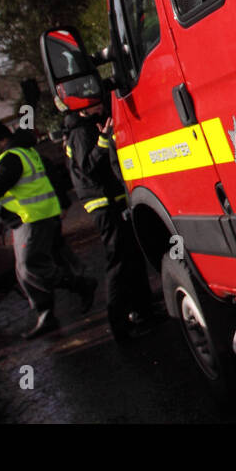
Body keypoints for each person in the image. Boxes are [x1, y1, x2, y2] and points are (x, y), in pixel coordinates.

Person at [0, 122, 95, 339]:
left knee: (30, 267)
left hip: (33, 218)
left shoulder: (10, 158)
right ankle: (46, 314)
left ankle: (80, 286)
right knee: (24, 270)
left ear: (1, 141)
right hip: (32, 218)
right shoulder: (24, 153)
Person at [61, 100, 157, 341]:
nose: (100, 109)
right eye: (95, 106)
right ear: (84, 108)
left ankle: (144, 311)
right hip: (103, 205)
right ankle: (119, 323)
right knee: (118, 262)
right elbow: (88, 167)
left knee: (132, 257)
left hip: (114, 201)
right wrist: (104, 139)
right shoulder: (81, 131)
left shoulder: (85, 126)